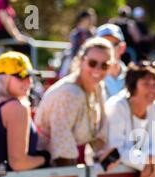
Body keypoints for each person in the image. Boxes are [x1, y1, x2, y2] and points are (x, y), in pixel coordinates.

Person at [35, 37, 115, 167]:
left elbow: (100, 131)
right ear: (81, 61)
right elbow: (62, 152)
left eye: (104, 65)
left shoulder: (98, 87)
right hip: (49, 167)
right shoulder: (70, 92)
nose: (98, 70)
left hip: (76, 163)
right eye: (93, 63)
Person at [0, 51, 49, 171]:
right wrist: (46, 158)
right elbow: (18, 164)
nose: (28, 82)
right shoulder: (16, 108)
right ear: (2, 79)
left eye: (29, 76)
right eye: (21, 76)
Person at [105, 60, 155, 177]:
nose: (152, 89)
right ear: (133, 85)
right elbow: (115, 149)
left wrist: (153, 161)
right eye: (146, 84)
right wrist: (148, 161)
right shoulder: (117, 106)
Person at [96, 24, 128, 97]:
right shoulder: (90, 77)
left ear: (122, 48)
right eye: (102, 45)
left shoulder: (132, 77)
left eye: (113, 44)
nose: (108, 49)